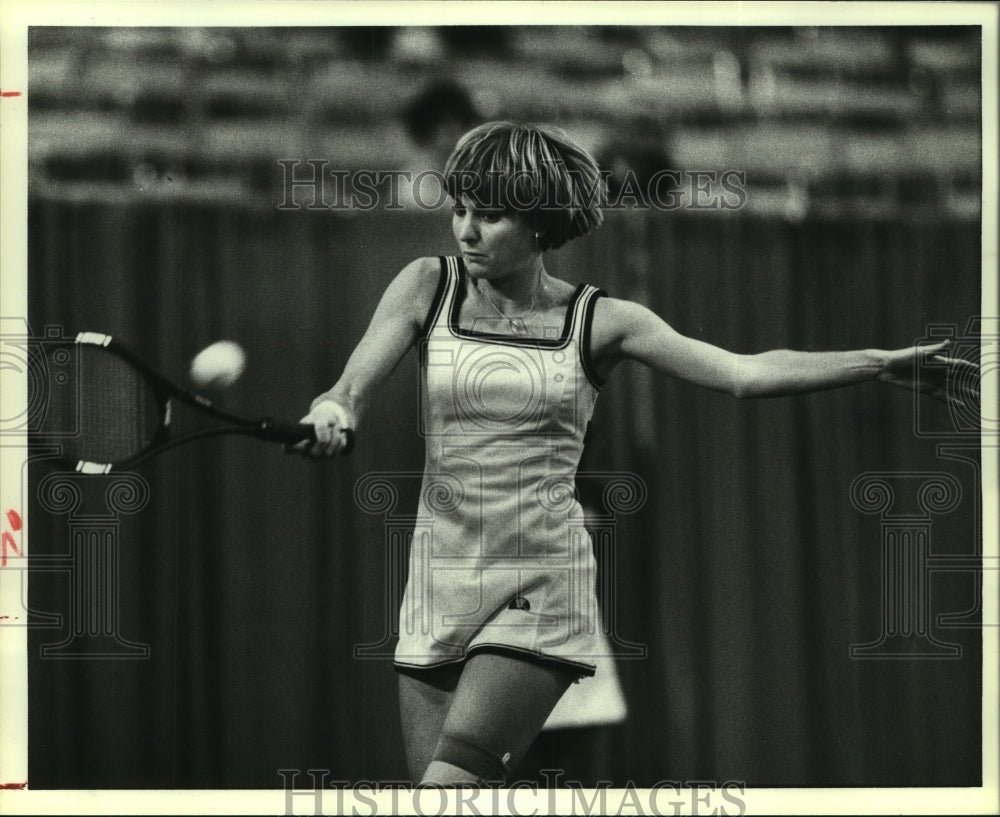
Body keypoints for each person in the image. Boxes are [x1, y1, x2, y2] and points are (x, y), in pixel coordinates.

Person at [289, 121, 976, 786]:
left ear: (539, 221)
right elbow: (350, 387)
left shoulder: (603, 321)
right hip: (438, 581)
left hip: (540, 585)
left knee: (448, 790)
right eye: (460, 208)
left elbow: (743, 373)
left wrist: (879, 362)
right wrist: (333, 412)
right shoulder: (424, 285)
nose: (465, 229)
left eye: (490, 215)